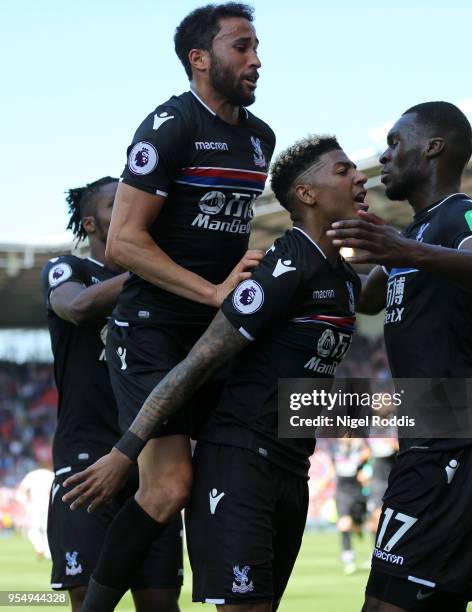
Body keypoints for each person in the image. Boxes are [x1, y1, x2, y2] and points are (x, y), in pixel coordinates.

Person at [63, 134, 368, 611]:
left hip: (293, 467)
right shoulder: (284, 266)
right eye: (343, 170)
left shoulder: (342, 278)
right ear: (306, 195)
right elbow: (198, 361)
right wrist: (127, 450)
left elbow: (376, 289)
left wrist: (408, 248)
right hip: (241, 465)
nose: (360, 177)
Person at [62, 4, 274, 610]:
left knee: (227, 473)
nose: (256, 60)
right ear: (199, 59)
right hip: (152, 333)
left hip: (215, 337)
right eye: (242, 47)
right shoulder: (168, 127)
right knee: (170, 486)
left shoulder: (260, 137)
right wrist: (211, 292)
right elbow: (126, 242)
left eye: (257, 46)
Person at [328, 101, 472, 611]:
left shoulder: (462, 212)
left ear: (433, 147)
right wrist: (345, 238)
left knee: (385, 603)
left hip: (455, 441)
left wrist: (398, 249)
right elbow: (367, 298)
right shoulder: (413, 233)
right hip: (432, 438)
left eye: (395, 143)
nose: (383, 157)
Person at [41, 178, 182, 612]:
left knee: (160, 602)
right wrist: (148, 267)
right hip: (85, 460)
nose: (127, 204)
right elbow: (78, 308)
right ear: (90, 223)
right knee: (90, 603)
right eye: (113, 202)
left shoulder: (162, 286)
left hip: (151, 463)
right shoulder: (69, 269)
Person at [332, 438, 371, 574]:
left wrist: (365, 470)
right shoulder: (334, 450)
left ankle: (358, 529)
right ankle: (348, 557)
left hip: (358, 493)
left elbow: (368, 465)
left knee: (358, 525)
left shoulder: (361, 449)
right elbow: (332, 469)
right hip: (342, 492)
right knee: (344, 524)